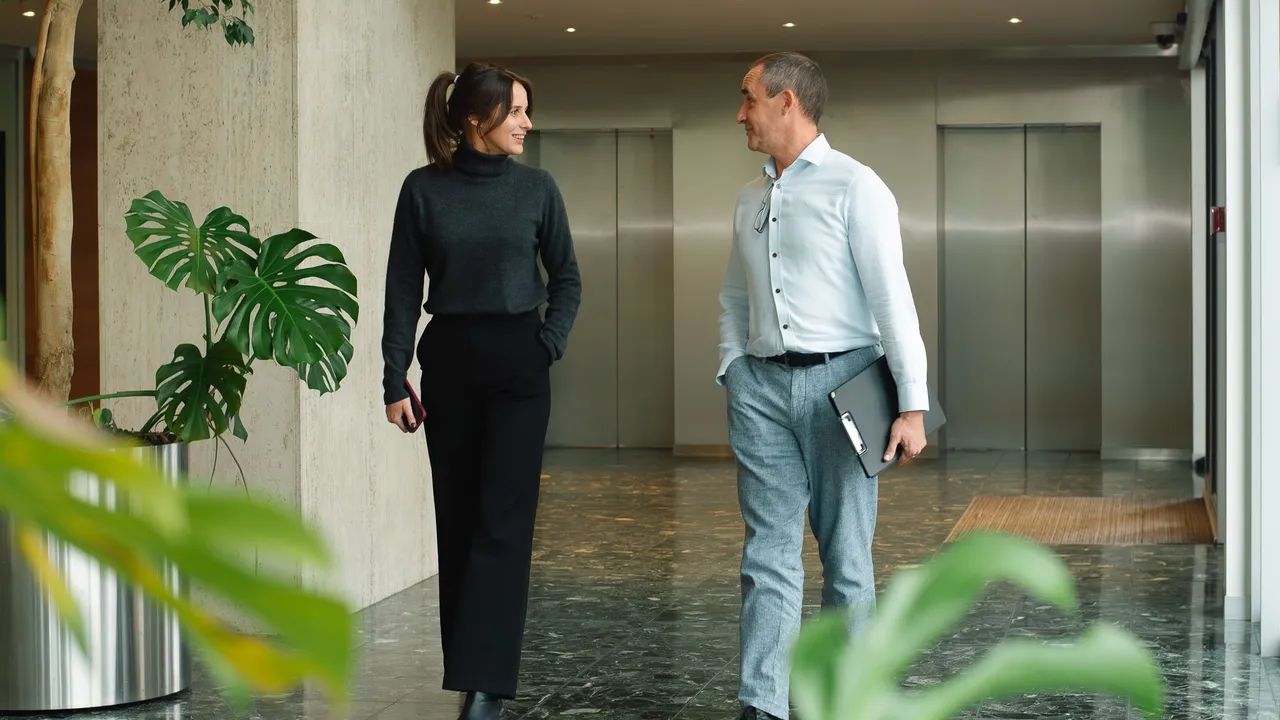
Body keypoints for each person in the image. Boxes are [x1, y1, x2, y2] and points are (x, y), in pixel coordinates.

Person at [716, 52, 930, 720]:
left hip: (846, 386)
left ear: (787, 102)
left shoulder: (856, 186)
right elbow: (734, 296)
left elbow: (892, 299)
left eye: (749, 98)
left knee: (845, 559)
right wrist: (733, 367)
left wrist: (912, 405)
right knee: (767, 555)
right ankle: (764, 704)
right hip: (760, 390)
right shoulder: (750, 197)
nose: (740, 114)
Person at [380, 62, 581, 720]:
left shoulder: (538, 189)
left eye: (526, 110)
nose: (527, 123)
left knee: (503, 523)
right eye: (516, 111)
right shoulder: (422, 190)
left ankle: (487, 687)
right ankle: (470, 675)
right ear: (475, 119)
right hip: (450, 367)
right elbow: (403, 289)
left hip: (519, 368)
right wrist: (393, 377)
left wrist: (547, 344)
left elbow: (567, 278)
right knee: (460, 522)